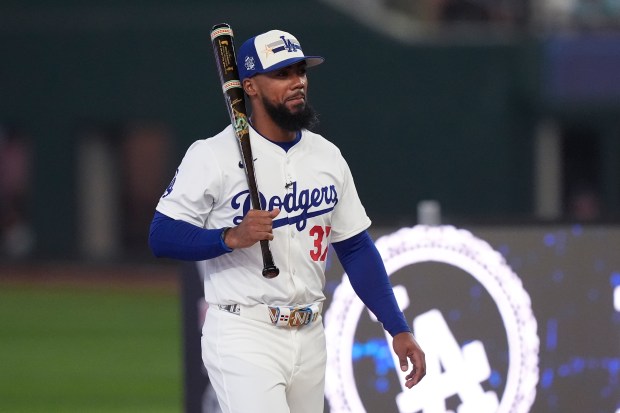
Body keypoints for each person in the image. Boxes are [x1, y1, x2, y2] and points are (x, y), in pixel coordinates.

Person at [149, 29, 425, 413]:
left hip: (311, 334)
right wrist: (229, 236)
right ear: (250, 86)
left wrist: (397, 327)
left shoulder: (327, 156)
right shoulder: (212, 155)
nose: (297, 82)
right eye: (282, 74)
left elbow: (356, 248)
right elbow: (161, 235)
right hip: (244, 331)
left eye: (300, 71)